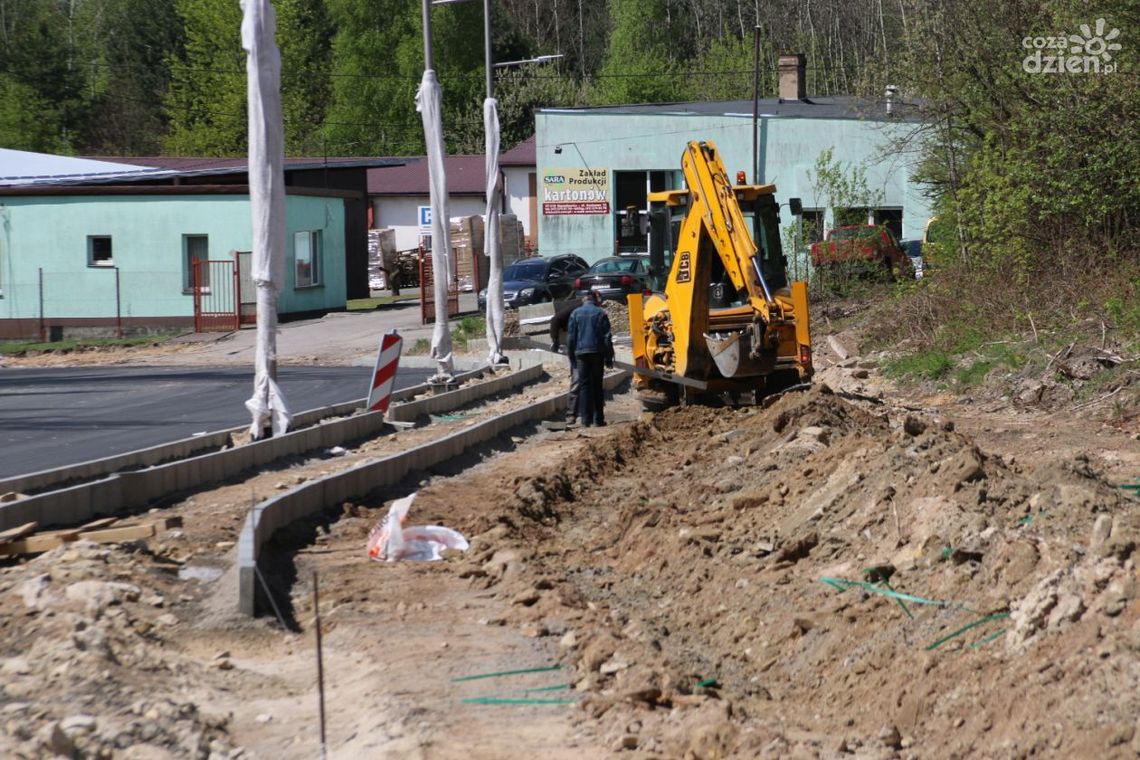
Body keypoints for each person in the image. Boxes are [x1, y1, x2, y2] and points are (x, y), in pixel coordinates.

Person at [565, 291, 615, 427]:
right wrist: (609, 357)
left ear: (583, 300)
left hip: (581, 354)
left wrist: (571, 356)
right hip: (597, 353)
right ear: (594, 300)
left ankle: (585, 420)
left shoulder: (575, 313)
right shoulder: (601, 313)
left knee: (584, 386)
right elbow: (607, 337)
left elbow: (570, 338)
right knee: (597, 386)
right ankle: (598, 420)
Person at [550, 297, 584, 424]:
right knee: (580, 381)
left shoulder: (585, 311)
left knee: (577, 381)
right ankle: (579, 414)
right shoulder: (575, 310)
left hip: (579, 349)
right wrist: (555, 340)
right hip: (581, 349)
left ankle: (575, 414)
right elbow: (555, 320)